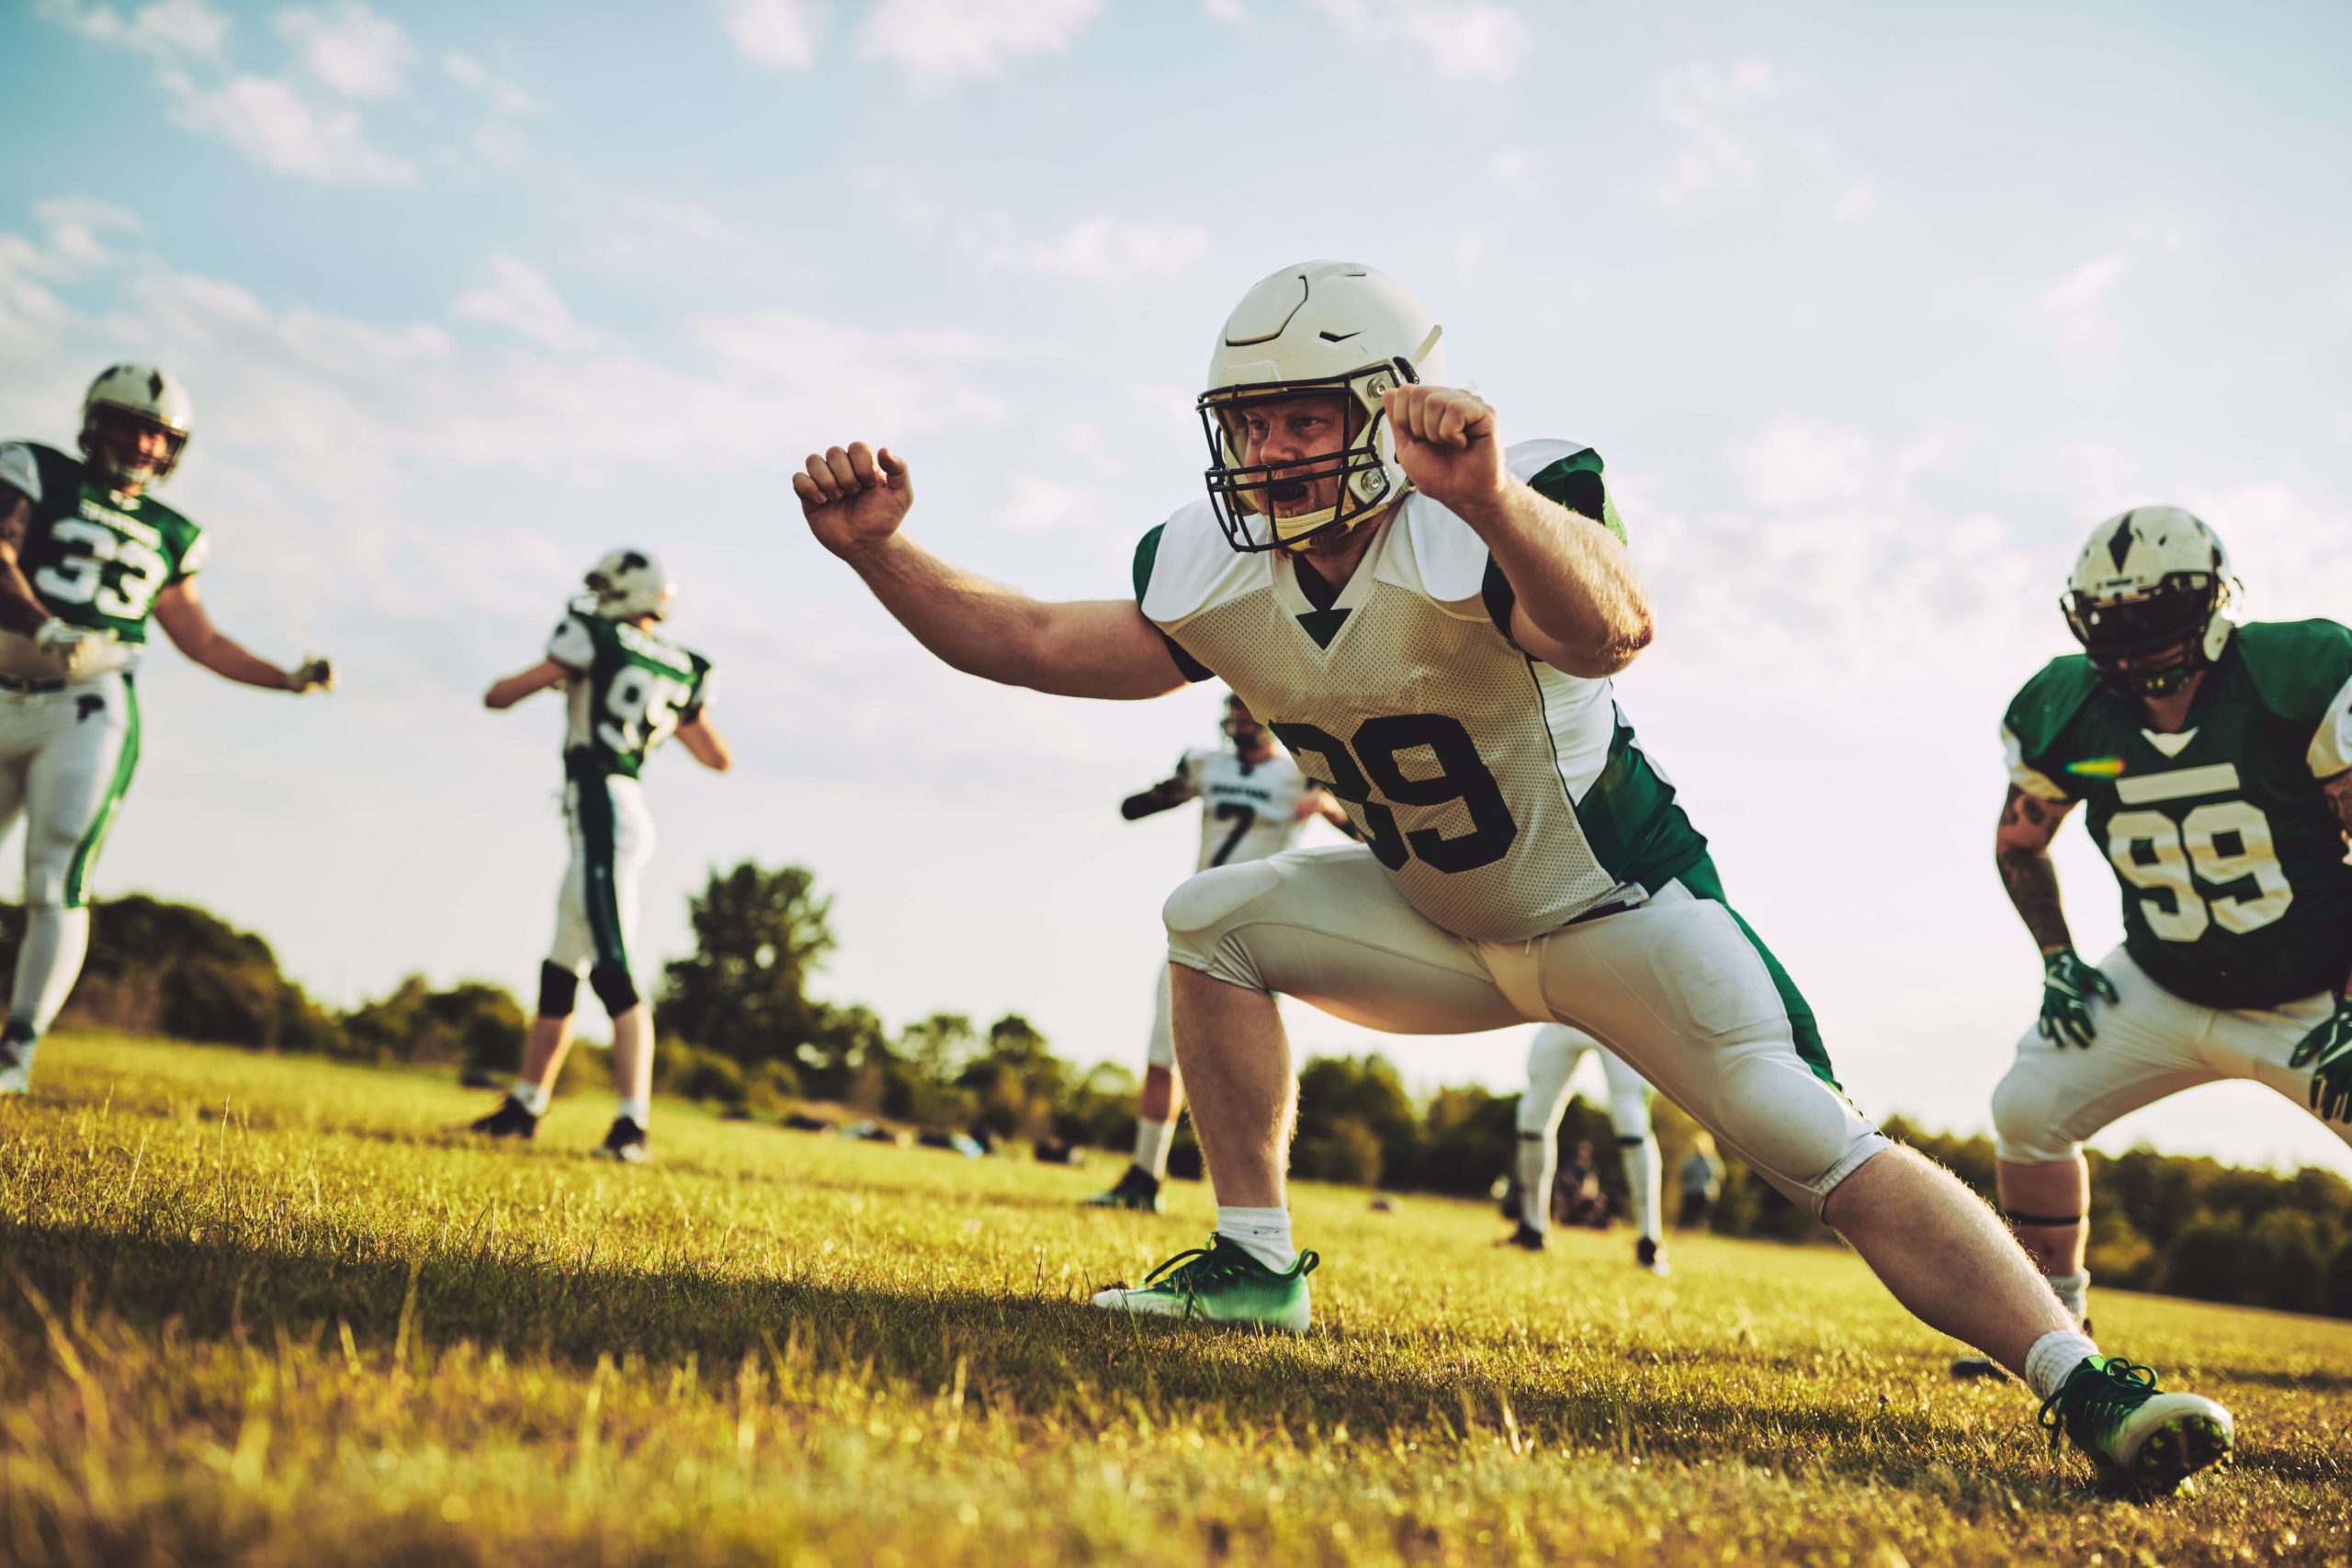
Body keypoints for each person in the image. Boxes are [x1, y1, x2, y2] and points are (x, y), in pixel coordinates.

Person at [793, 259, 2233, 1492]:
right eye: (1251, 422)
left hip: (1621, 912)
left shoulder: (1498, 500)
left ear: (1382, 409)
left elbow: (1612, 628)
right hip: (1436, 917)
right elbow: (1045, 642)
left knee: (1822, 1147)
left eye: (1304, 416)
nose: (1275, 451)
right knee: (1210, 921)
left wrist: (1483, 498)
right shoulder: (1210, 562)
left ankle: (2083, 1376)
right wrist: (883, 558)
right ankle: (1252, 1258)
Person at [1950, 507, 2350, 1379]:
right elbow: (2019, 843)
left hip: (2316, 993)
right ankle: (2050, 1326)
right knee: (2030, 1104)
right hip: (2164, 982)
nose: (2133, 647)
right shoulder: (2073, 710)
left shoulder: (2297, 678)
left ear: (2211, 603)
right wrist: (2058, 959)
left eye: (2152, 618)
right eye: (2113, 623)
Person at [0, 366, 333, 1095]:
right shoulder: (34, 467)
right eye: (128, 423)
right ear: (94, 421)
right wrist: (44, 623)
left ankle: (14, 1055)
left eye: (157, 432)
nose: (141, 441)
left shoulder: (173, 532)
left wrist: (286, 677)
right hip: (5, 679)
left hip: (85, 706)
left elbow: (202, 640)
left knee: (54, 877)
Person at [466, 550, 731, 1161]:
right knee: (563, 966)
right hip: (623, 807)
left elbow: (500, 695)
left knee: (613, 968)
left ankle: (631, 1127)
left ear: (626, 591)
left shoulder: (592, 635)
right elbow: (718, 756)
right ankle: (526, 1105)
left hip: (601, 812)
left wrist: (566, 674)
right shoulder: (685, 664)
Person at [1087, 691, 1344, 1212]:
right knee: (1163, 1054)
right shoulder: (1207, 764)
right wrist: (1176, 789)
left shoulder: (1303, 772)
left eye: (1246, 713)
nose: (1236, 723)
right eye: (1232, 713)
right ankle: (1144, 1177)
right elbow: (1132, 809)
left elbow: (1372, 835)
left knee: (1253, 1069)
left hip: (1257, 932)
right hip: (1196, 923)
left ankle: (1263, 1193)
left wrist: (1329, 806)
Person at [1501, 1023, 1665, 1271]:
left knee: (1632, 1120)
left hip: (1620, 1009)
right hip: (1561, 1009)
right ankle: (1532, 1228)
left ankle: (1649, 1240)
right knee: (1532, 1118)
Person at [1678, 1130, 1724, 1231]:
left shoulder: (1713, 1160)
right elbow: (1683, 1172)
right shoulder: (1690, 1159)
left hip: (1706, 1194)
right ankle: (1684, 1234)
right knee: (1687, 1216)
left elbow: (1719, 1175)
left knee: (1700, 1219)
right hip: (1691, 1192)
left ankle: (1695, 1236)